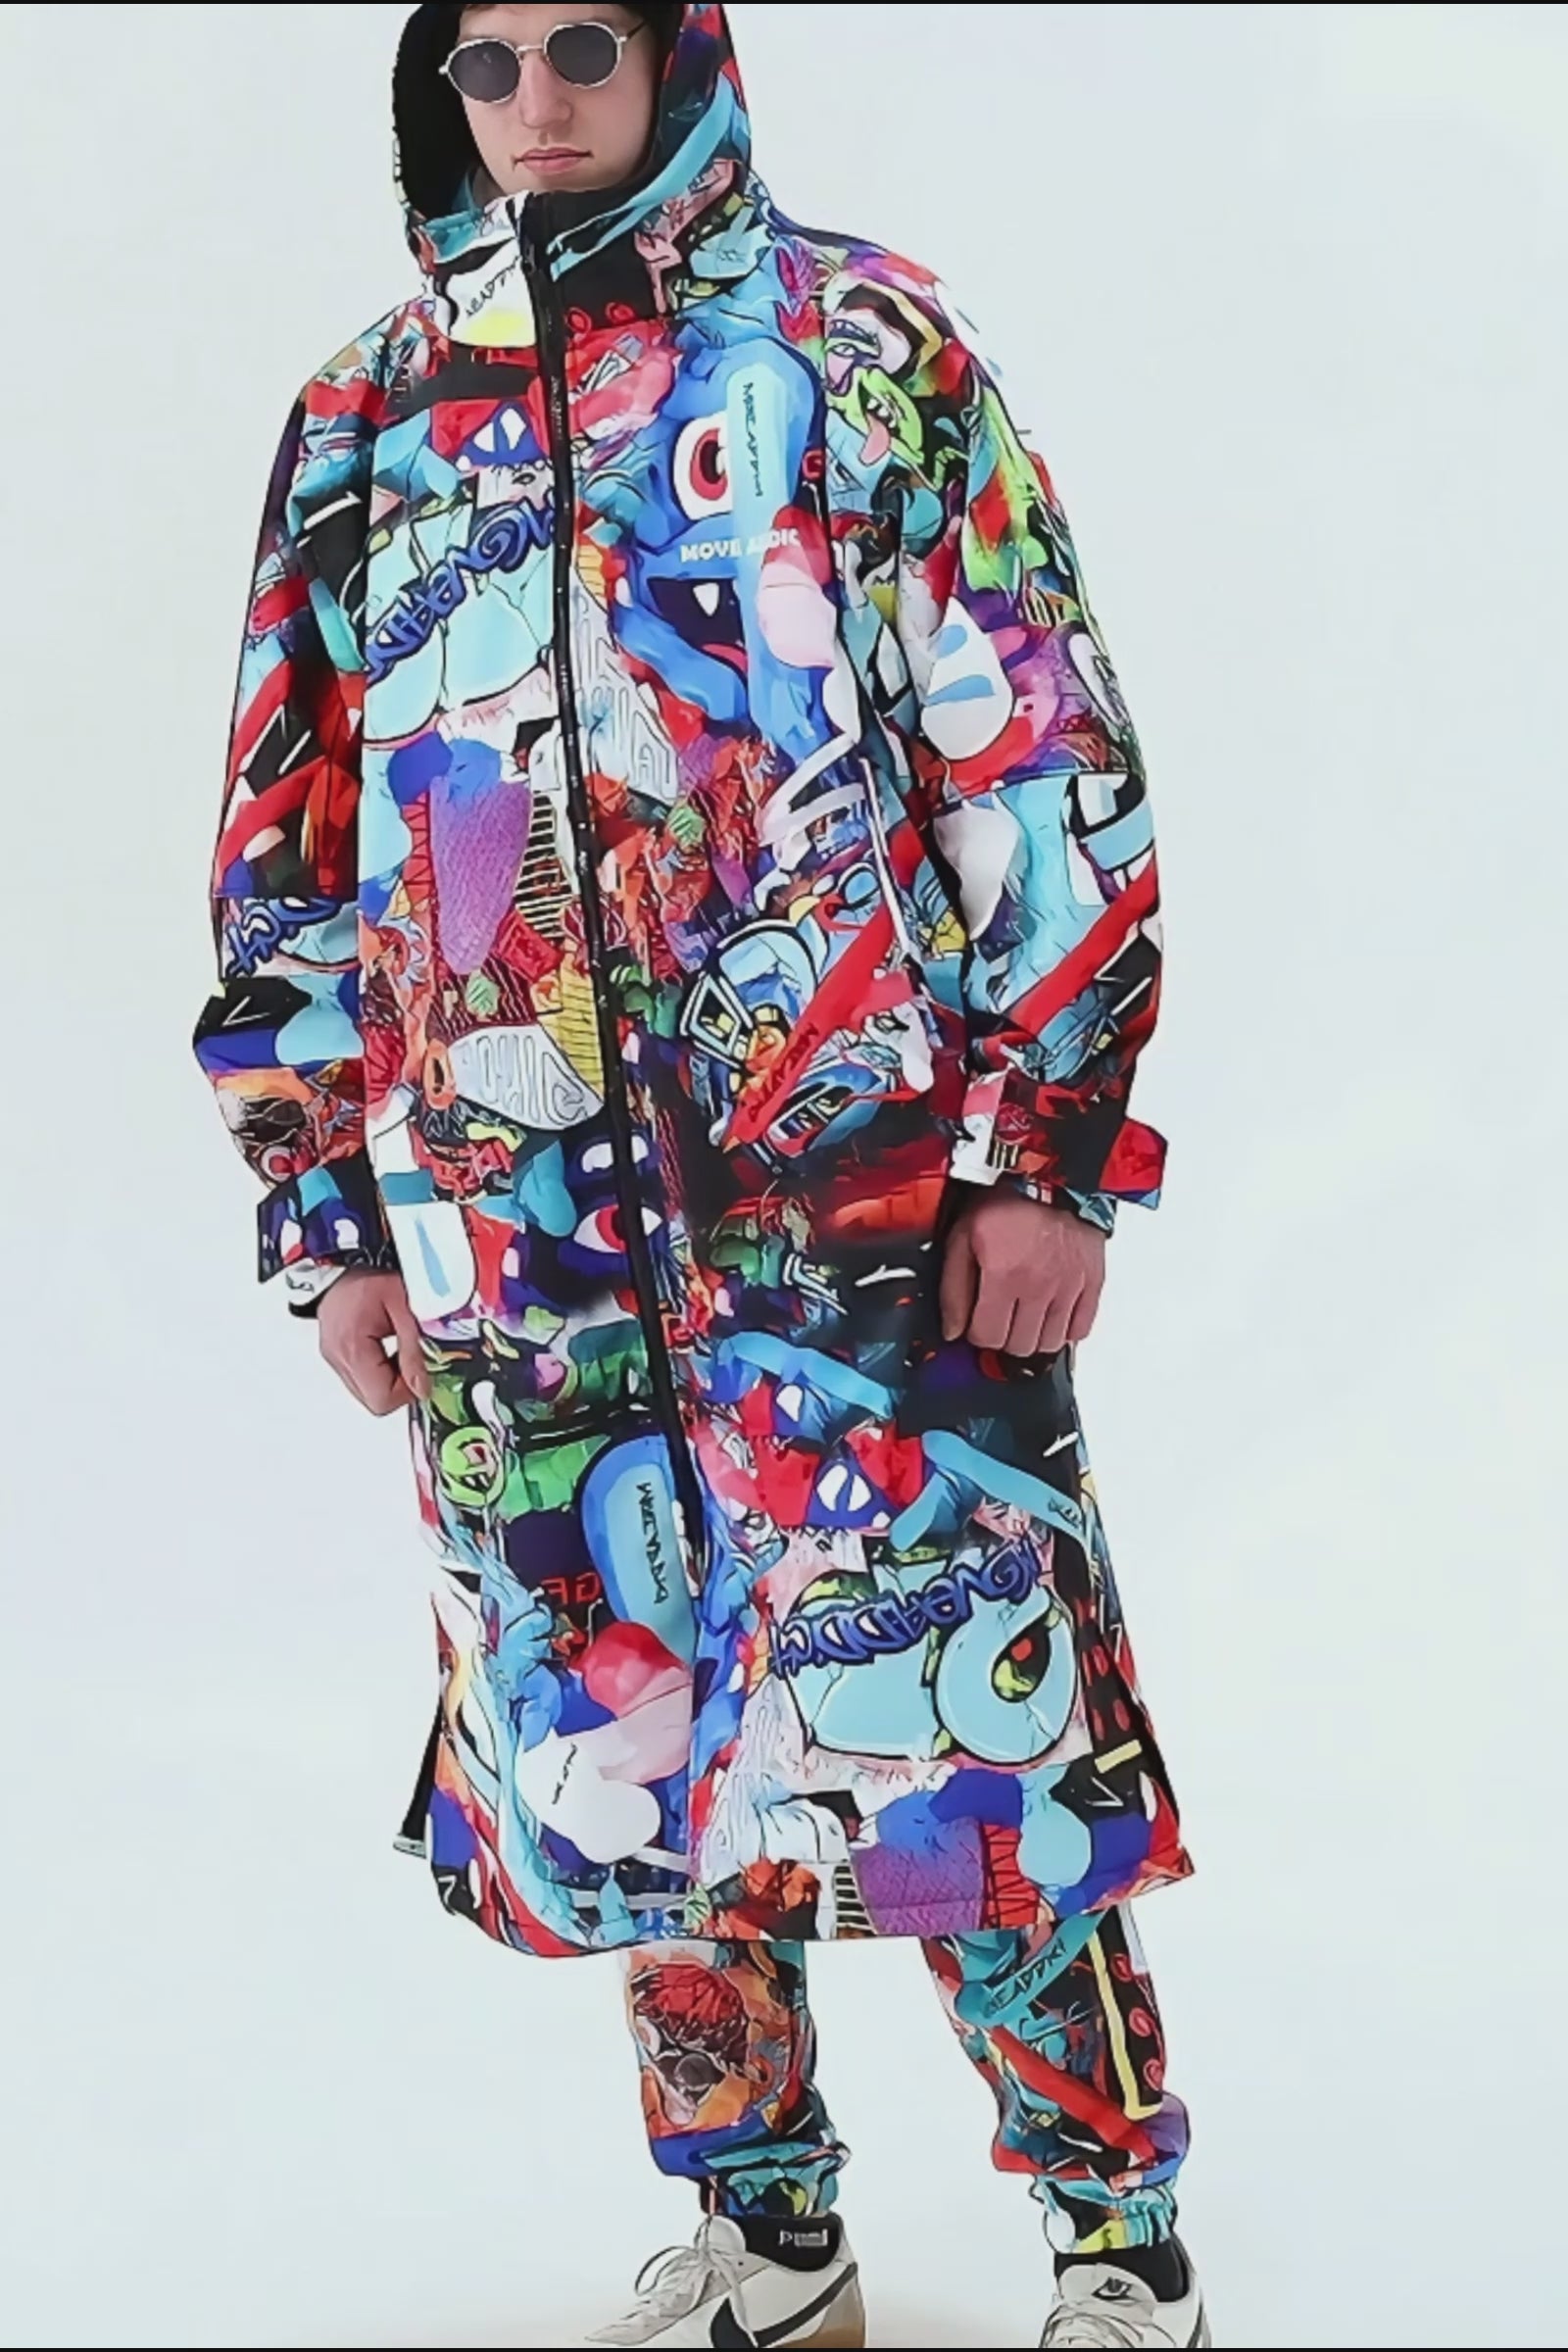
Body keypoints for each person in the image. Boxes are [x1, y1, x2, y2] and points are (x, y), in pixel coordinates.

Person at [193, 6, 1205, 2345]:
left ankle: (1114, 2236)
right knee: (627, 1746)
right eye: (483, 61)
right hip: (511, 1244)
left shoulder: (857, 348)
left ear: (677, 54)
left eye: (583, 42)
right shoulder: (367, 414)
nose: (535, 99)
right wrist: (326, 1211)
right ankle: (773, 2232)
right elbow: (288, 842)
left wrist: (1046, 1151)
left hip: (855, 1223)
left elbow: (1032, 746)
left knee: (961, 1739)